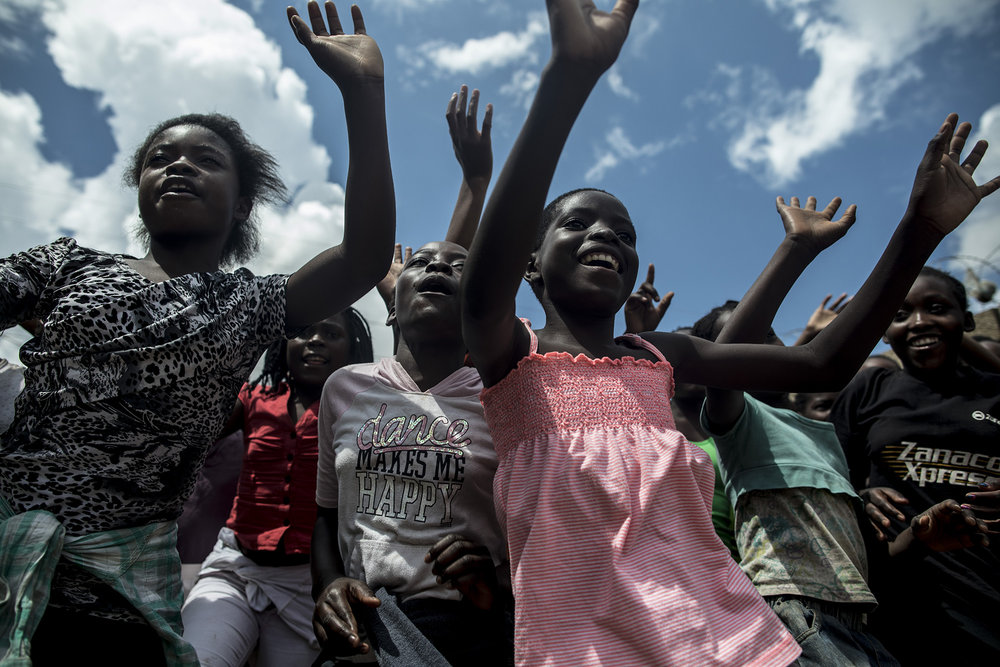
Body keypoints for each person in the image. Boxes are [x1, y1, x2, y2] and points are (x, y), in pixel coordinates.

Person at [459, 0, 1000, 664]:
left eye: (624, 233)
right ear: (531, 262)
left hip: (729, 638)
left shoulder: (664, 355)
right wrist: (570, 76)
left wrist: (918, 229)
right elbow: (483, 284)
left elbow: (825, 362)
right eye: (578, 224)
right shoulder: (516, 356)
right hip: (583, 645)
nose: (606, 235)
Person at [0, 0, 394, 663]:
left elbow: (364, 256)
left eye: (205, 159)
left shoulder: (247, 303)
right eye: (160, 157)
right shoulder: (68, 263)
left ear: (241, 202)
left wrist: (364, 94)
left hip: (117, 600)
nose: (177, 166)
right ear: (140, 188)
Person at [311, 82, 510, 667]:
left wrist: (495, 572)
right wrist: (327, 584)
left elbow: (538, 515)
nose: (436, 270)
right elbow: (325, 516)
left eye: (456, 269)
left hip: (474, 626)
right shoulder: (344, 388)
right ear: (392, 302)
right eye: (419, 264)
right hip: (365, 630)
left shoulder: (505, 392)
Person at [181, 309, 373, 667]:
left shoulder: (365, 410)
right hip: (235, 566)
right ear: (283, 343)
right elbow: (193, 427)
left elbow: (413, 396)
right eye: (303, 331)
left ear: (353, 351)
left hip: (310, 583)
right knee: (198, 659)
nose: (314, 340)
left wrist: (394, 299)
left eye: (331, 334)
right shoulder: (254, 396)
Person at [831, 266, 1000, 661]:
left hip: (990, 589)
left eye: (937, 308)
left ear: (968, 320)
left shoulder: (995, 392)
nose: (919, 323)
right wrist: (860, 494)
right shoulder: (870, 389)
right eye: (900, 314)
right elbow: (829, 476)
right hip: (901, 600)